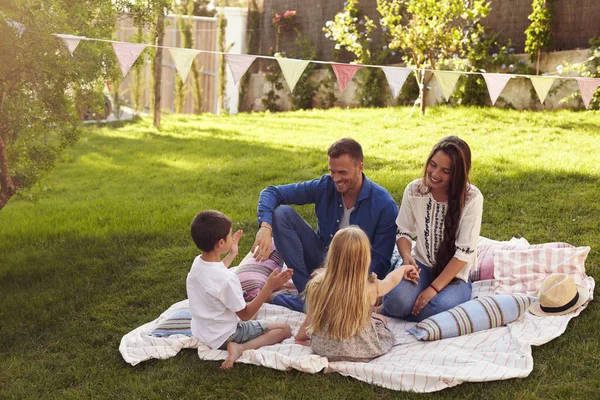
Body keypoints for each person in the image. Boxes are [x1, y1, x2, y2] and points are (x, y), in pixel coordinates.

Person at [252, 138, 399, 312]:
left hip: (355, 274)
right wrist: (265, 227)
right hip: (321, 258)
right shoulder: (325, 186)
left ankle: (306, 301)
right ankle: (307, 292)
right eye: (332, 171)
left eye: (342, 172)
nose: (336, 178)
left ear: (360, 167)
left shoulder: (384, 204)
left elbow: (380, 262)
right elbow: (272, 192)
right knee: (282, 214)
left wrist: (335, 276)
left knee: (345, 305)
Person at [382, 136, 483, 322]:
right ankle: (402, 308)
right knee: (396, 301)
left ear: (458, 174)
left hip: (454, 274)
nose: (435, 174)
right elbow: (403, 231)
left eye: (445, 171)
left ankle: (409, 311)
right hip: (421, 265)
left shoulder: (472, 198)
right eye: (433, 165)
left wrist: (433, 289)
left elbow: (463, 253)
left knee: (440, 306)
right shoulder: (414, 189)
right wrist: (407, 258)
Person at [186, 210, 293, 369]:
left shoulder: (198, 263)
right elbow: (245, 315)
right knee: (284, 329)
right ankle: (240, 348)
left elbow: (215, 274)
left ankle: (239, 344)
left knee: (249, 303)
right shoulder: (227, 279)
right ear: (221, 243)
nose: (232, 237)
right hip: (226, 336)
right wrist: (268, 286)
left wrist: (232, 254)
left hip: (203, 331)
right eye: (229, 235)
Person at [294, 226, 418, 361]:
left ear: (332, 254)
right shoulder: (371, 286)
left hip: (325, 348)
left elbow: (311, 317)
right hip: (360, 349)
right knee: (381, 319)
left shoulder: (317, 284)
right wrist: (404, 268)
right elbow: (391, 280)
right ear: (365, 258)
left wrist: (300, 337)